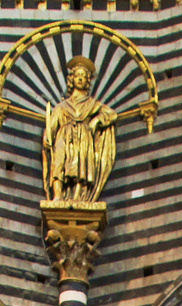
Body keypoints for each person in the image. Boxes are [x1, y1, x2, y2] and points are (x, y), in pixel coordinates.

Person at [42, 55, 117, 203]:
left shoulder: (91, 103)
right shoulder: (62, 106)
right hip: (63, 137)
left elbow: (111, 114)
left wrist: (96, 121)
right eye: (77, 75)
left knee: (81, 165)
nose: (80, 78)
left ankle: (79, 196)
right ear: (72, 79)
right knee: (59, 163)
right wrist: (47, 136)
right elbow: (52, 126)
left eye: (84, 76)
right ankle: (58, 195)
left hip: (83, 138)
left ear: (88, 80)